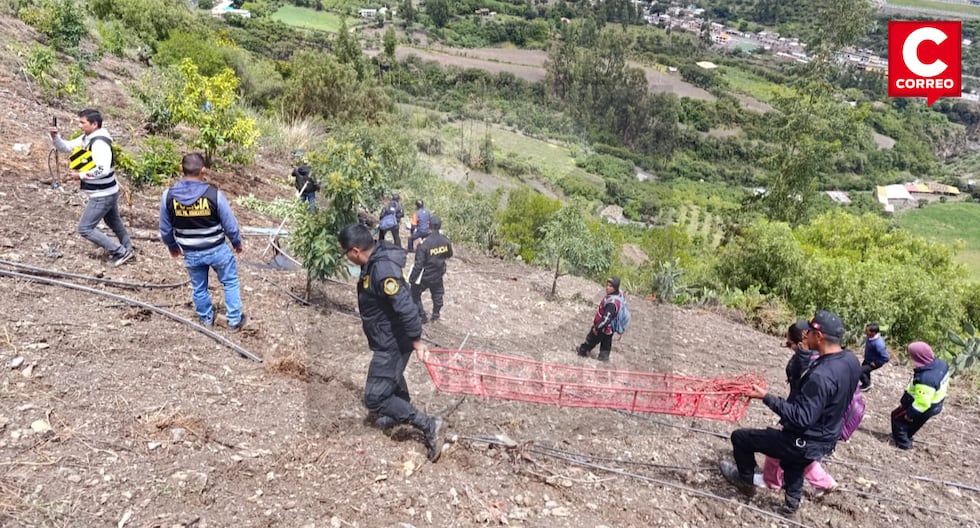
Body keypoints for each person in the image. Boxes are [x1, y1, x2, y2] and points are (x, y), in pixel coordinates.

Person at [720, 310, 861, 516]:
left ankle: (745, 481)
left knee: (741, 438)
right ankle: (791, 506)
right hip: (827, 436)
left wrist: (766, 397)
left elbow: (801, 418)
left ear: (819, 336)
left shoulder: (821, 376)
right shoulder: (850, 360)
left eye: (809, 333)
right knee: (795, 463)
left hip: (805, 440)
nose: (805, 336)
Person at [339, 223, 444, 461]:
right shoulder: (373, 261)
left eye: (345, 253)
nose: (346, 258)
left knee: (375, 398)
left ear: (355, 251)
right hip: (387, 337)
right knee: (391, 380)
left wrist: (417, 342)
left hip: (394, 341)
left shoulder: (382, 270)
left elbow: (406, 307)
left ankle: (428, 425)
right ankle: (399, 412)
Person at [159, 153, 247, 331]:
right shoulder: (214, 195)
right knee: (229, 282)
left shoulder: (168, 196)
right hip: (217, 249)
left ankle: (206, 319)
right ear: (203, 170)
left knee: (199, 287)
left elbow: (165, 229)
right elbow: (230, 225)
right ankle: (234, 320)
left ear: (180, 168)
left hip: (191, 252)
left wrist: (172, 246)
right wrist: (237, 242)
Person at [759, 321, 837, 495]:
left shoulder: (812, 363)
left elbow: (799, 388)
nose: (789, 348)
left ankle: (771, 480)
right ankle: (824, 482)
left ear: (803, 340)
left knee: (784, 446)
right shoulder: (820, 357)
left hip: (810, 417)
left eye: (789, 344)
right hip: (821, 418)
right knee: (800, 452)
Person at [49, 108, 133, 266]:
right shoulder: (87, 138)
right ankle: (128, 248)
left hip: (102, 194)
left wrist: (79, 175)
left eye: (83, 122)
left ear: (94, 124)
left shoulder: (99, 143)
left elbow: (103, 169)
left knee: (85, 228)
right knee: (114, 222)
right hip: (107, 191)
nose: (80, 125)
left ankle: (120, 252)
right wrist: (55, 137)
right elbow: (66, 147)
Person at [891, 342, 949, 450]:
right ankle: (907, 436)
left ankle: (903, 444)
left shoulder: (925, 379)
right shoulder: (941, 364)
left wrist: (910, 414)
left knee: (896, 418)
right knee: (916, 423)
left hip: (921, 405)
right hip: (936, 404)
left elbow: (922, 402)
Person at [409, 215, 453, 323]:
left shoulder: (424, 244)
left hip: (425, 276)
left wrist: (412, 279)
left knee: (414, 294)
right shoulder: (445, 241)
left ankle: (422, 317)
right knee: (437, 294)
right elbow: (449, 254)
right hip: (438, 273)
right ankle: (436, 315)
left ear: (429, 226)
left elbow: (418, 265)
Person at [575, 277, 623, 362]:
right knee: (606, 344)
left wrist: (597, 328)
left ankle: (583, 351)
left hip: (603, 327)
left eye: (610, 286)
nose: (607, 287)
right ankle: (603, 358)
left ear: (615, 288)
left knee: (591, 339)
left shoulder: (612, 303)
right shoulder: (617, 296)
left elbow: (606, 319)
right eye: (607, 285)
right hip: (609, 329)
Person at [859, 323, 889, 392]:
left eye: (867, 331)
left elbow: (886, 357)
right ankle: (867, 384)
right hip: (868, 360)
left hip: (873, 362)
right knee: (865, 372)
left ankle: (867, 385)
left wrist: (876, 363)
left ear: (873, 333)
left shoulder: (878, 344)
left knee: (859, 371)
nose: (865, 332)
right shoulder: (870, 337)